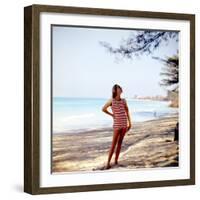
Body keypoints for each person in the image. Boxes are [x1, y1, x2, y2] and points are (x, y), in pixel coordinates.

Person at [102, 84, 132, 169]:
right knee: (113, 144)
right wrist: (112, 115)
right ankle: (108, 163)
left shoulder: (124, 100)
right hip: (117, 125)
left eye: (121, 88)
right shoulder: (111, 100)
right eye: (119, 88)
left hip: (124, 124)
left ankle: (116, 161)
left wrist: (130, 123)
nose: (121, 89)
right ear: (115, 90)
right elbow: (103, 109)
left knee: (119, 144)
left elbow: (127, 112)